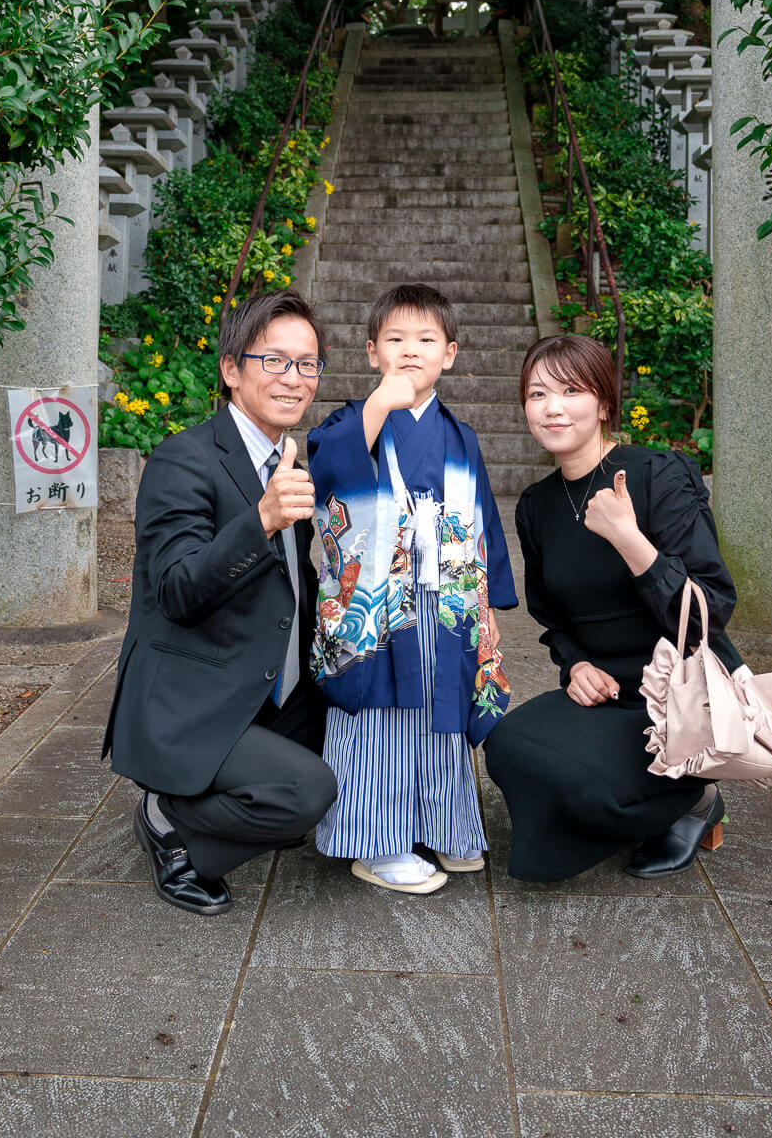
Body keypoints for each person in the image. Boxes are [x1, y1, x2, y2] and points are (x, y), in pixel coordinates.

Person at [102, 289, 338, 915]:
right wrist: (259, 520)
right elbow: (176, 590)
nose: (295, 379)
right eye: (276, 361)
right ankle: (170, 822)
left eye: (308, 363)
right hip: (193, 694)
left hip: (263, 678)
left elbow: (290, 583)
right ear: (232, 370)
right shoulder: (183, 459)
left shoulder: (284, 457)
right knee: (306, 792)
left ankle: (224, 796)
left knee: (350, 747)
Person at [484, 333, 741, 882]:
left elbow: (712, 608)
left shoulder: (656, 475)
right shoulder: (537, 505)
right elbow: (552, 616)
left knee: (584, 786)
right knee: (506, 746)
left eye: (571, 391)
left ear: (603, 403)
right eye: (536, 394)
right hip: (602, 688)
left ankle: (694, 802)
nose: (552, 407)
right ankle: (644, 794)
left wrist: (631, 540)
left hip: (675, 692)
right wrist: (575, 664)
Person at [305, 283, 517, 894]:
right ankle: (377, 841)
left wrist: (485, 603)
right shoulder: (355, 420)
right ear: (373, 352)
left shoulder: (462, 436)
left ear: (449, 354)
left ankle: (442, 822)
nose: (411, 350)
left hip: (445, 599)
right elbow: (327, 469)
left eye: (426, 340)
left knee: (438, 710)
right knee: (379, 717)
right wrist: (377, 408)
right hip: (376, 607)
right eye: (395, 339)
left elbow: (480, 520)